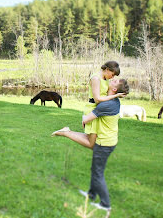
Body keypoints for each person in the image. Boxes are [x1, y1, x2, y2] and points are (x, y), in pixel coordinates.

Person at [52, 61, 129, 213]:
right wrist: (117, 94)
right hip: (106, 134)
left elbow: (88, 116)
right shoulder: (112, 98)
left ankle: (105, 204)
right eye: (112, 76)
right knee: (95, 164)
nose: (111, 79)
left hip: (105, 141)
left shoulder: (108, 103)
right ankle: (92, 195)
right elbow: (98, 99)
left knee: (96, 167)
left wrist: (87, 118)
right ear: (107, 69)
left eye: (113, 79)